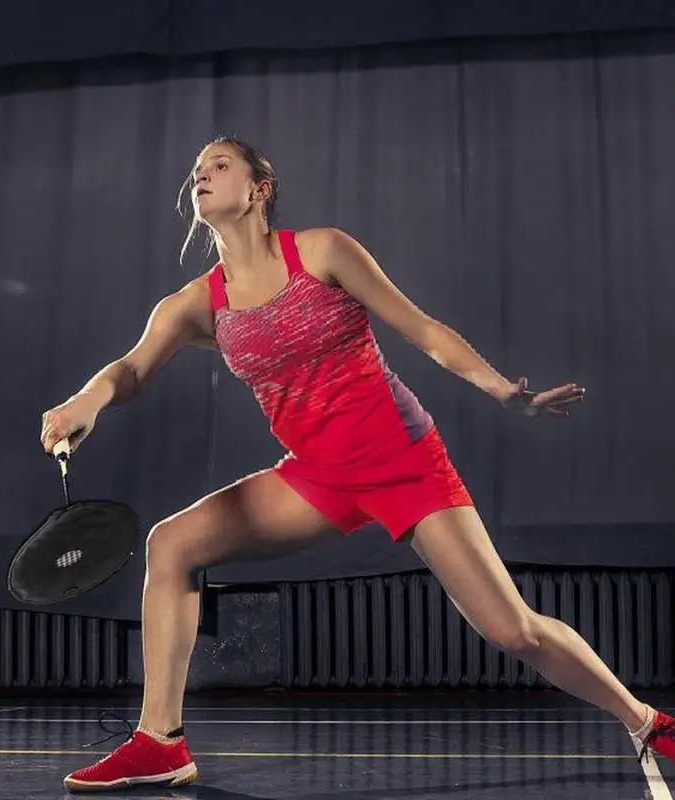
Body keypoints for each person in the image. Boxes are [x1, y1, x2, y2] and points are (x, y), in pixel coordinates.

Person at [40, 137, 674, 792]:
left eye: (219, 164)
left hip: (402, 460)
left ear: (260, 188)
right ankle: (159, 742)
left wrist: (503, 390)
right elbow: (132, 370)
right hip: (317, 476)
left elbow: (422, 328)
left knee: (513, 630)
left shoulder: (323, 251)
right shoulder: (195, 303)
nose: (201, 174)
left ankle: (646, 720)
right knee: (171, 545)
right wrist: (84, 402)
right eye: (196, 169)